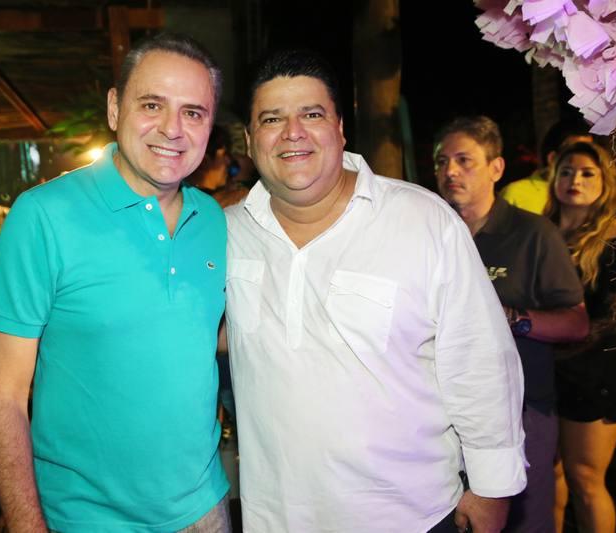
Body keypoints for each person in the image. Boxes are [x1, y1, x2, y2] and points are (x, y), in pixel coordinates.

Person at [224, 51, 526, 533]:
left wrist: (492, 487)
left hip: (412, 514)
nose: (293, 132)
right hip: (277, 517)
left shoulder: (422, 220)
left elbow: (479, 360)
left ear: (340, 129)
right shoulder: (224, 234)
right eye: (272, 119)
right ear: (249, 140)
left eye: (312, 114)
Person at [0, 34, 231, 532]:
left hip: (205, 510)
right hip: (86, 519)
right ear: (115, 108)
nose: (172, 129)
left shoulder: (214, 220)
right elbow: (1, 395)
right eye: (152, 105)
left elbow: (196, 334)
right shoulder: (44, 216)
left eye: (193, 112)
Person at [434, 116, 588, 532]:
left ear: (496, 168)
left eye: (464, 160)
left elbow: (577, 323)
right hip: (445, 413)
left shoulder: (533, 234)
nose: (450, 171)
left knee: (523, 523)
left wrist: (511, 319)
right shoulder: (431, 234)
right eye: (442, 161)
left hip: (522, 410)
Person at [545, 141, 616, 533]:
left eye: (588, 173)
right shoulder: (542, 233)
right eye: (567, 172)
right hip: (545, 374)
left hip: (597, 374)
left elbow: (614, 319)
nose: (576, 180)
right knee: (549, 475)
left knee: (585, 477)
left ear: (606, 182)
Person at [499, 119, 592, 214]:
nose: (585, 160)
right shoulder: (516, 194)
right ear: (552, 158)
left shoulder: (594, 194)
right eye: (576, 154)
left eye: (590, 154)